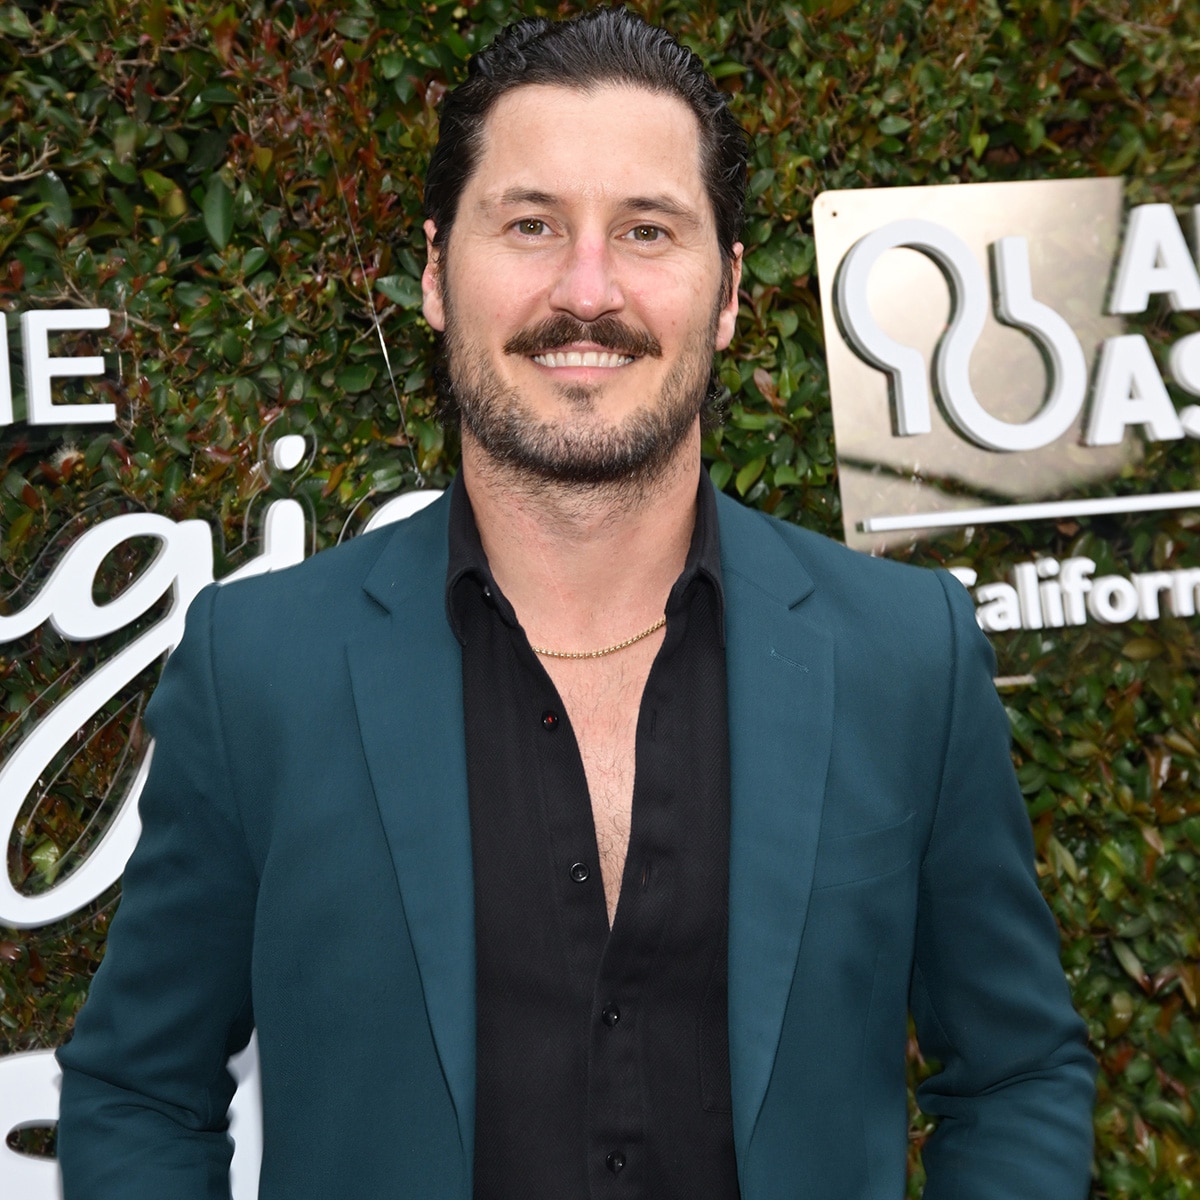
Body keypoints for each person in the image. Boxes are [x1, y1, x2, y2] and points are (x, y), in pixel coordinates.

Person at [57, 7, 1096, 1198]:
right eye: (533, 224)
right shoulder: (261, 670)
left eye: (647, 230)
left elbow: (1015, 1074)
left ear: (728, 295)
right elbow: (141, 1089)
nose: (587, 290)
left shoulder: (906, 656)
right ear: (439, 275)